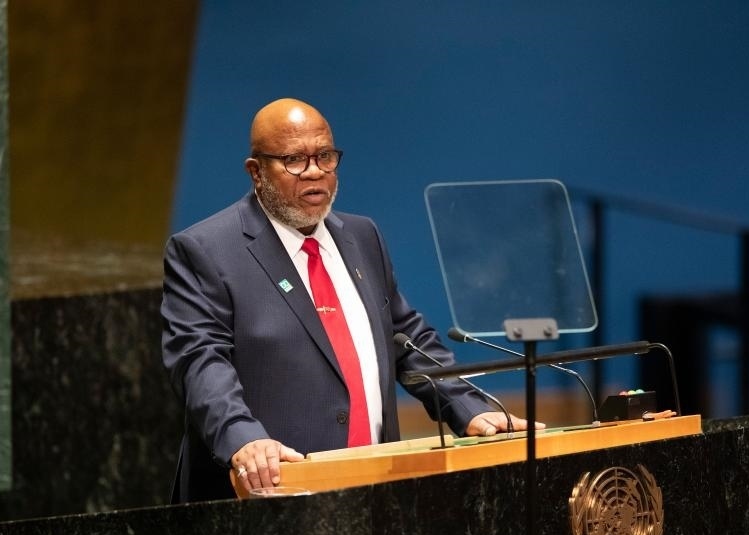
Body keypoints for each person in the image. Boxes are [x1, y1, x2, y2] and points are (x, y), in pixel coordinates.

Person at [161, 98, 533, 502]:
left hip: (374, 486)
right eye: (294, 160)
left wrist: (470, 408)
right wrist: (242, 437)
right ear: (256, 171)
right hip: (267, 491)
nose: (315, 172)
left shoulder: (362, 236)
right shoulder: (206, 250)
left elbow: (406, 339)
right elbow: (199, 359)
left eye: (324, 156)